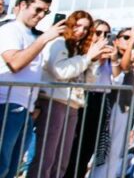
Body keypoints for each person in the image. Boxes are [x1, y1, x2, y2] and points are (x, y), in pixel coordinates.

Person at [30, 11, 109, 178]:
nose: (81, 31)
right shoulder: (59, 43)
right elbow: (61, 71)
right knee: (47, 157)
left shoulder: (79, 49)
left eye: (86, 28)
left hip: (73, 104)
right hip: (54, 102)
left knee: (62, 159)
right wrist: (87, 57)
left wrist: (93, 60)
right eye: (77, 25)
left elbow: (88, 82)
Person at [0, 0, 66, 178]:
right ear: (22, 5)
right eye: (37, 10)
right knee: (2, 164)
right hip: (7, 106)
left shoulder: (32, 35)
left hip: (24, 108)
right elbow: (15, 63)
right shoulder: (9, 30)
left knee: (12, 167)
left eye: (45, 12)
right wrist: (45, 38)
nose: (40, 16)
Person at [88, 27, 134, 178]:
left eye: (132, 38)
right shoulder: (112, 54)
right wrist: (131, 46)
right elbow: (123, 68)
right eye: (126, 37)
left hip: (125, 106)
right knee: (104, 149)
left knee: (116, 151)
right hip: (111, 105)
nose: (130, 40)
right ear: (116, 40)